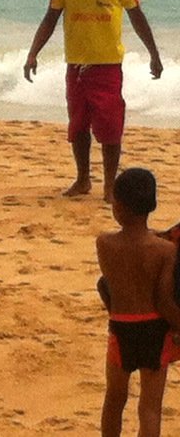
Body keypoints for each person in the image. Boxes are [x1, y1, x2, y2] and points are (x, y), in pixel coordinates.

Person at [23, 0, 162, 203]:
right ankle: (83, 178)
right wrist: (32, 53)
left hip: (108, 65)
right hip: (76, 66)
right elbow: (50, 19)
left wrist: (154, 54)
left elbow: (137, 17)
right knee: (78, 126)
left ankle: (110, 186)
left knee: (110, 126)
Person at [96, 168, 180, 436]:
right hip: (155, 329)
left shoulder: (105, 244)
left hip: (121, 327)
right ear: (152, 205)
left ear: (117, 206)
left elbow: (108, 285)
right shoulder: (166, 250)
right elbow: (164, 300)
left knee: (114, 400)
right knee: (150, 407)